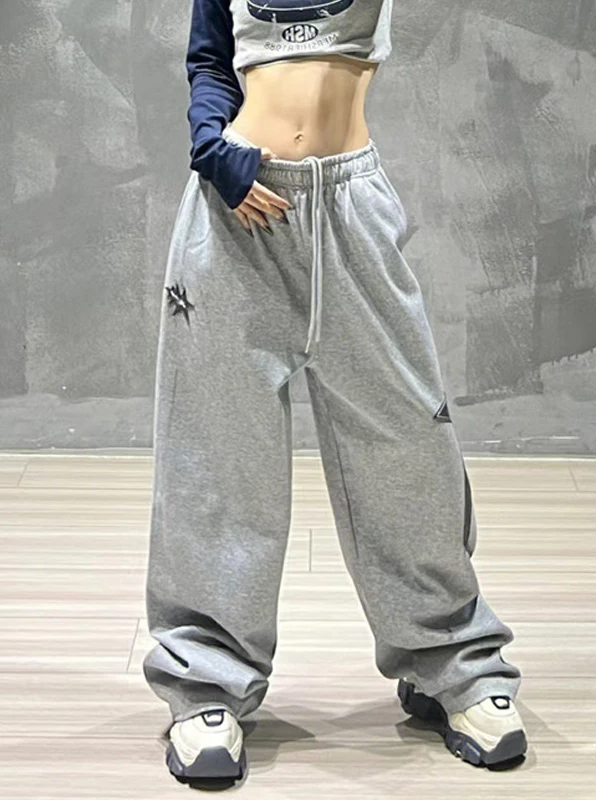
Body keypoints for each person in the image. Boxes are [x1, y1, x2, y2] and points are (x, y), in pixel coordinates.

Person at [142, 0, 527, 786]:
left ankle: (452, 663)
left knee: (410, 454)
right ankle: (206, 682)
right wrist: (213, 149)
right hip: (238, 211)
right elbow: (210, 58)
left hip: (353, 205)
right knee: (219, 460)